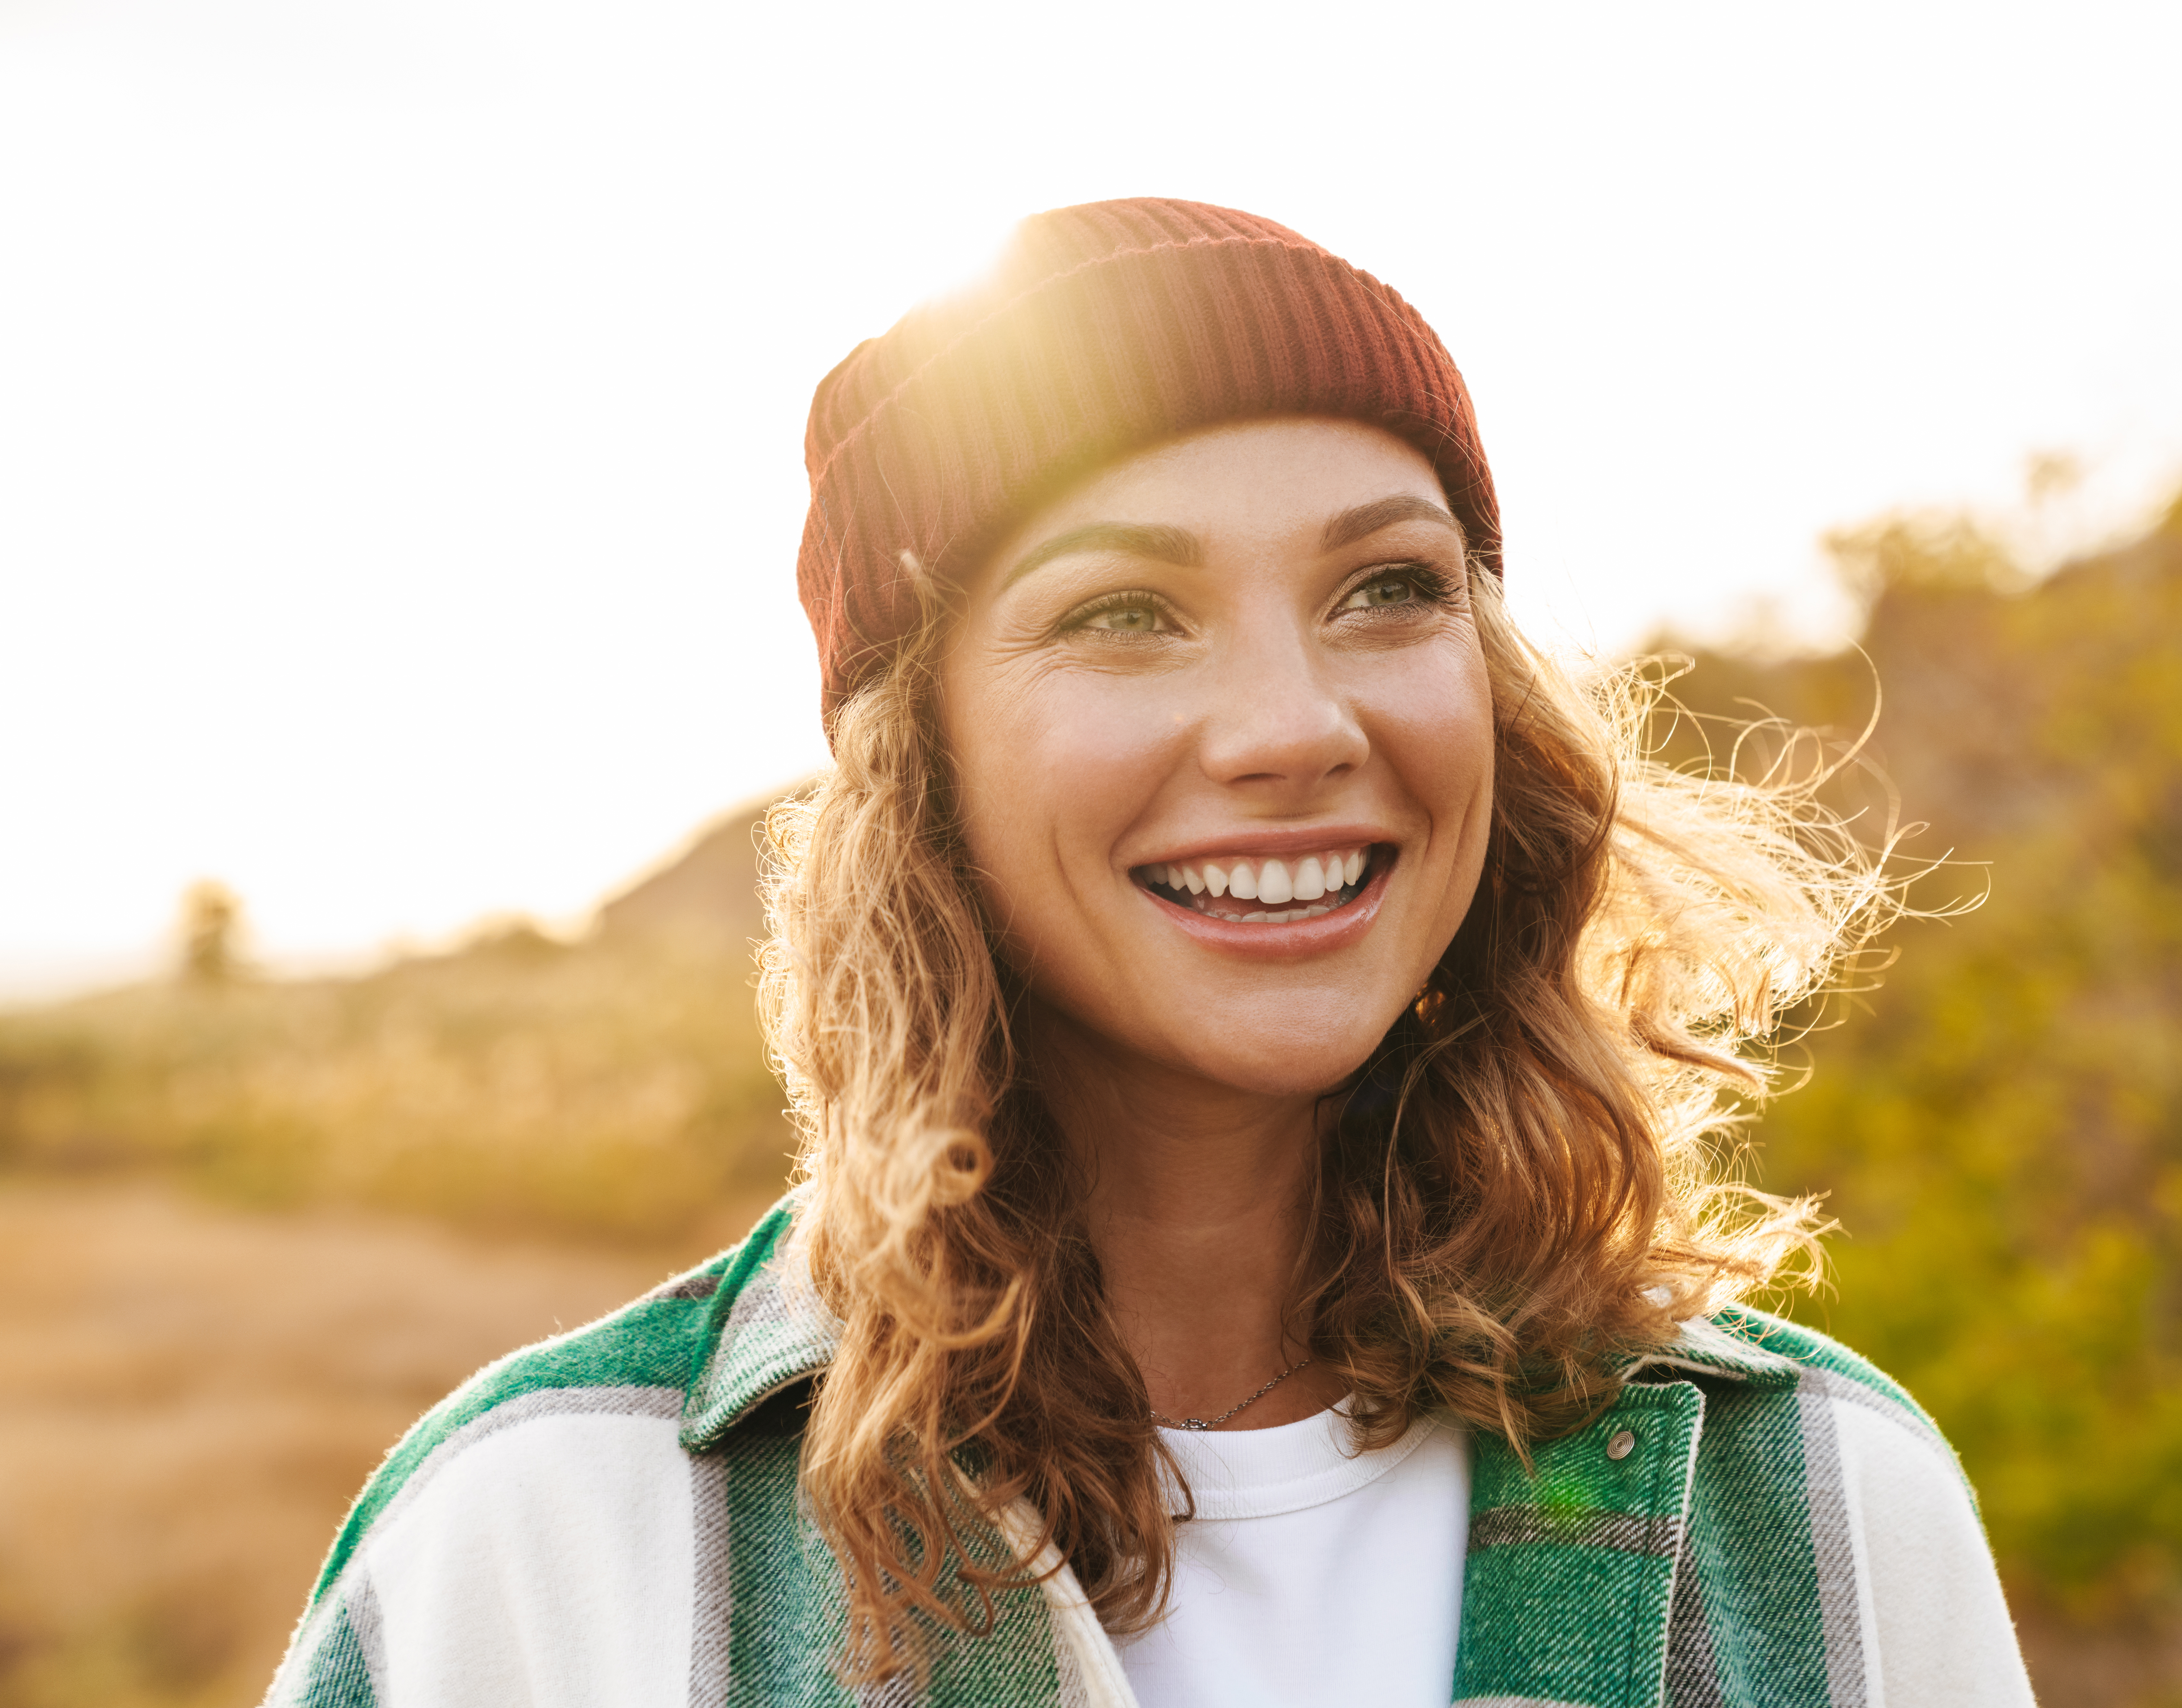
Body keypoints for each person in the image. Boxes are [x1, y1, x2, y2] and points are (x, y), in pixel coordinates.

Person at [263, 198, 2038, 1708]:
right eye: (1124, 613)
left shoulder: (1823, 1503)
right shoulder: (545, 1551)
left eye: (1388, 588)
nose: (1292, 723)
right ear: (923, 767)